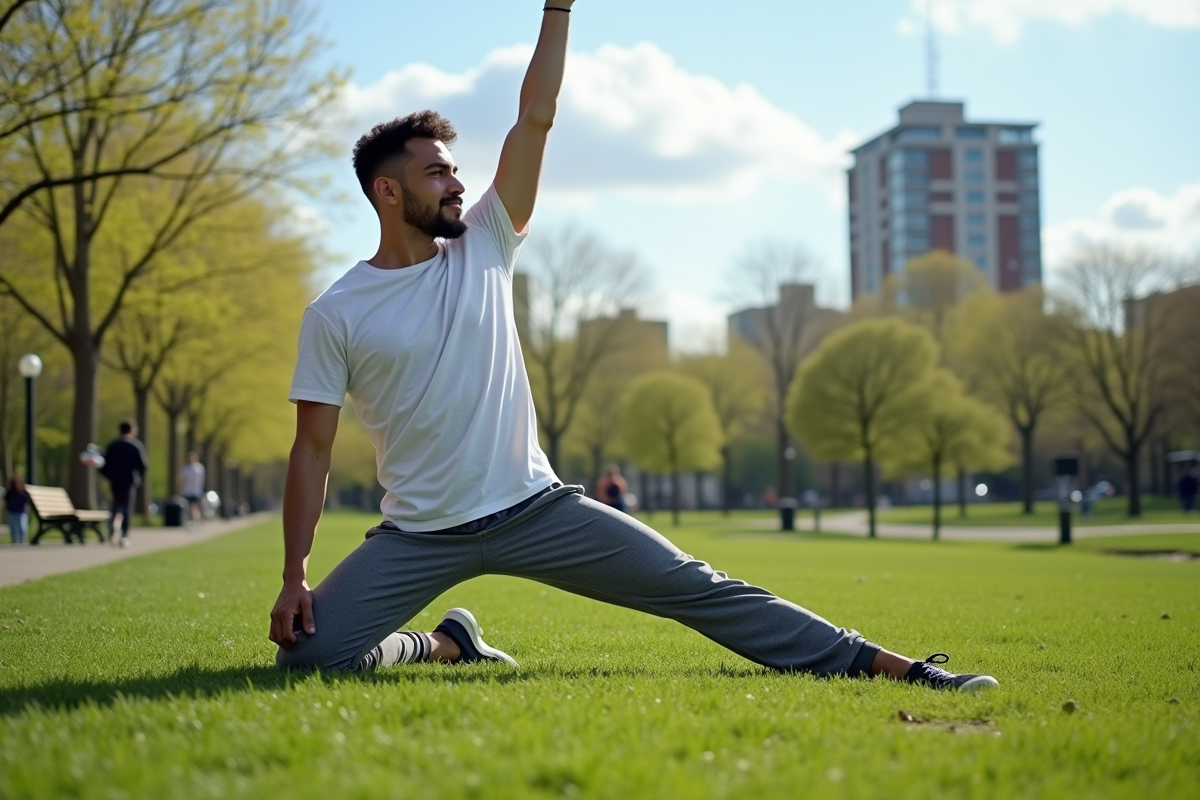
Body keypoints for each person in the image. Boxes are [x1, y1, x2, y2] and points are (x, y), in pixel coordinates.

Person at [268, 2, 997, 692]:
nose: (458, 183)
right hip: (420, 534)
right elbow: (313, 451)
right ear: (388, 193)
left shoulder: (484, 244)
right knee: (308, 657)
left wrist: (559, 10)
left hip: (534, 511)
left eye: (457, 169)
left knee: (695, 586)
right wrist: (295, 574)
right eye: (437, 172)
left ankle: (900, 669)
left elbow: (537, 116)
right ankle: (444, 643)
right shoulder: (337, 313)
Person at [101, 420, 149, 547]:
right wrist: (138, 477)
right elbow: (143, 465)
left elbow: (104, 465)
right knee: (127, 507)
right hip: (129, 481)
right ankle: (124, 535)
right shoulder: (135, 446)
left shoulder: (113, 445)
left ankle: (112, 528)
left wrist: (109, 476)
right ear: (131, 430)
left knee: (116, 505)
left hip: (115, 480)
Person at [178, 451, 207, 531]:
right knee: (189, 507)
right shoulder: (186, 468)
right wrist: (181, 489)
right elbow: (182, 480)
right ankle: (190, 522)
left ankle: (196, 521)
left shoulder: (200, 468)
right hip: (188, 490)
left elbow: (202, 480)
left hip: (197, 491)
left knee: (195, 507)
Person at [5, 475, 30, 545]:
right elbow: (6, 502)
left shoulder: (22, 492)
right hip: (11, 512)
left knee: (21, 527)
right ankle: (14, 540)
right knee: (12, 527)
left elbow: (26, 502)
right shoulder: (9, 492)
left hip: (20, 512)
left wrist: (26, 509)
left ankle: (22, 541)